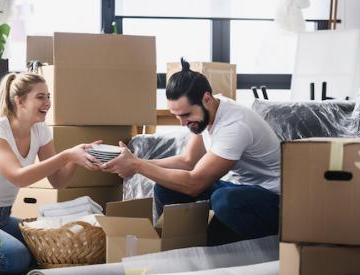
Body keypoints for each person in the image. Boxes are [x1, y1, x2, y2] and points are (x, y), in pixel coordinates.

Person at [101, 58, 280, 245]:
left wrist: (137, 165)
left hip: (273, 201)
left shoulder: (235, 125)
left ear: (206, 99)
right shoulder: (210, 111)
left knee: (224, 200)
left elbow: (194, 184)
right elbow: (188, 161)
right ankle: (177, 245)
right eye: (177, 116)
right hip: (242, 189)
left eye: (186, 114)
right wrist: (133, 162)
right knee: (166, 186)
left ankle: (265, 248)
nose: (182, 123)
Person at [0, 72, 101, 273]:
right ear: (20, 101)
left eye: (48, 96)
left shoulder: (40, 130)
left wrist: (78, 158)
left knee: (46, 252)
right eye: (40, 97)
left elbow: (58, 181)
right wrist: (67, 156)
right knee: (17, 258)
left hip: (1, 218)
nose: (47, 102)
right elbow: (18, 177)